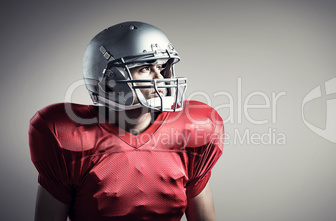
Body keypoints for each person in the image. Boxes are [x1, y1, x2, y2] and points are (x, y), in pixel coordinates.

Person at [29, 21, 224, 221]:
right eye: (146, 68)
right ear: (109, 79)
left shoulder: (192, 130)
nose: (160, 79)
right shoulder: (66, 135)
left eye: (161, 67)